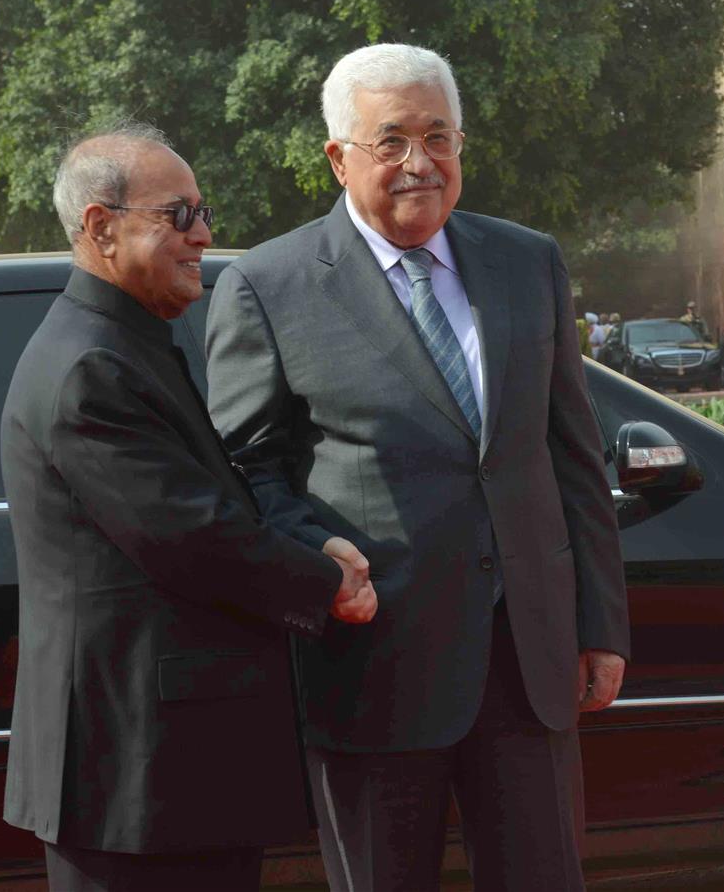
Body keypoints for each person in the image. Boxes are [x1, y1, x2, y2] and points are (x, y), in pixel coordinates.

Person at [205, 44, 629, 891]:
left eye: (439, 137)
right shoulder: (269, 284)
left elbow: (570, 452)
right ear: (338, 157)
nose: (419, 163)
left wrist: (598, 622)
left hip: (527, 662)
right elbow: (244, 470)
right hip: (374, 667)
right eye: (390, 140)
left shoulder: (527, 261)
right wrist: (309, 555)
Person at [0, 122, 378, 892]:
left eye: (204, 212)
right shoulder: (90, 366)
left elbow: (212, 500)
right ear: (101, 227)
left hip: (169, 774)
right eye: (179, 215)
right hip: (137, 775)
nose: (203, 235)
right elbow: (192, 538)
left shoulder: (125, 342)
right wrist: (324, 580)